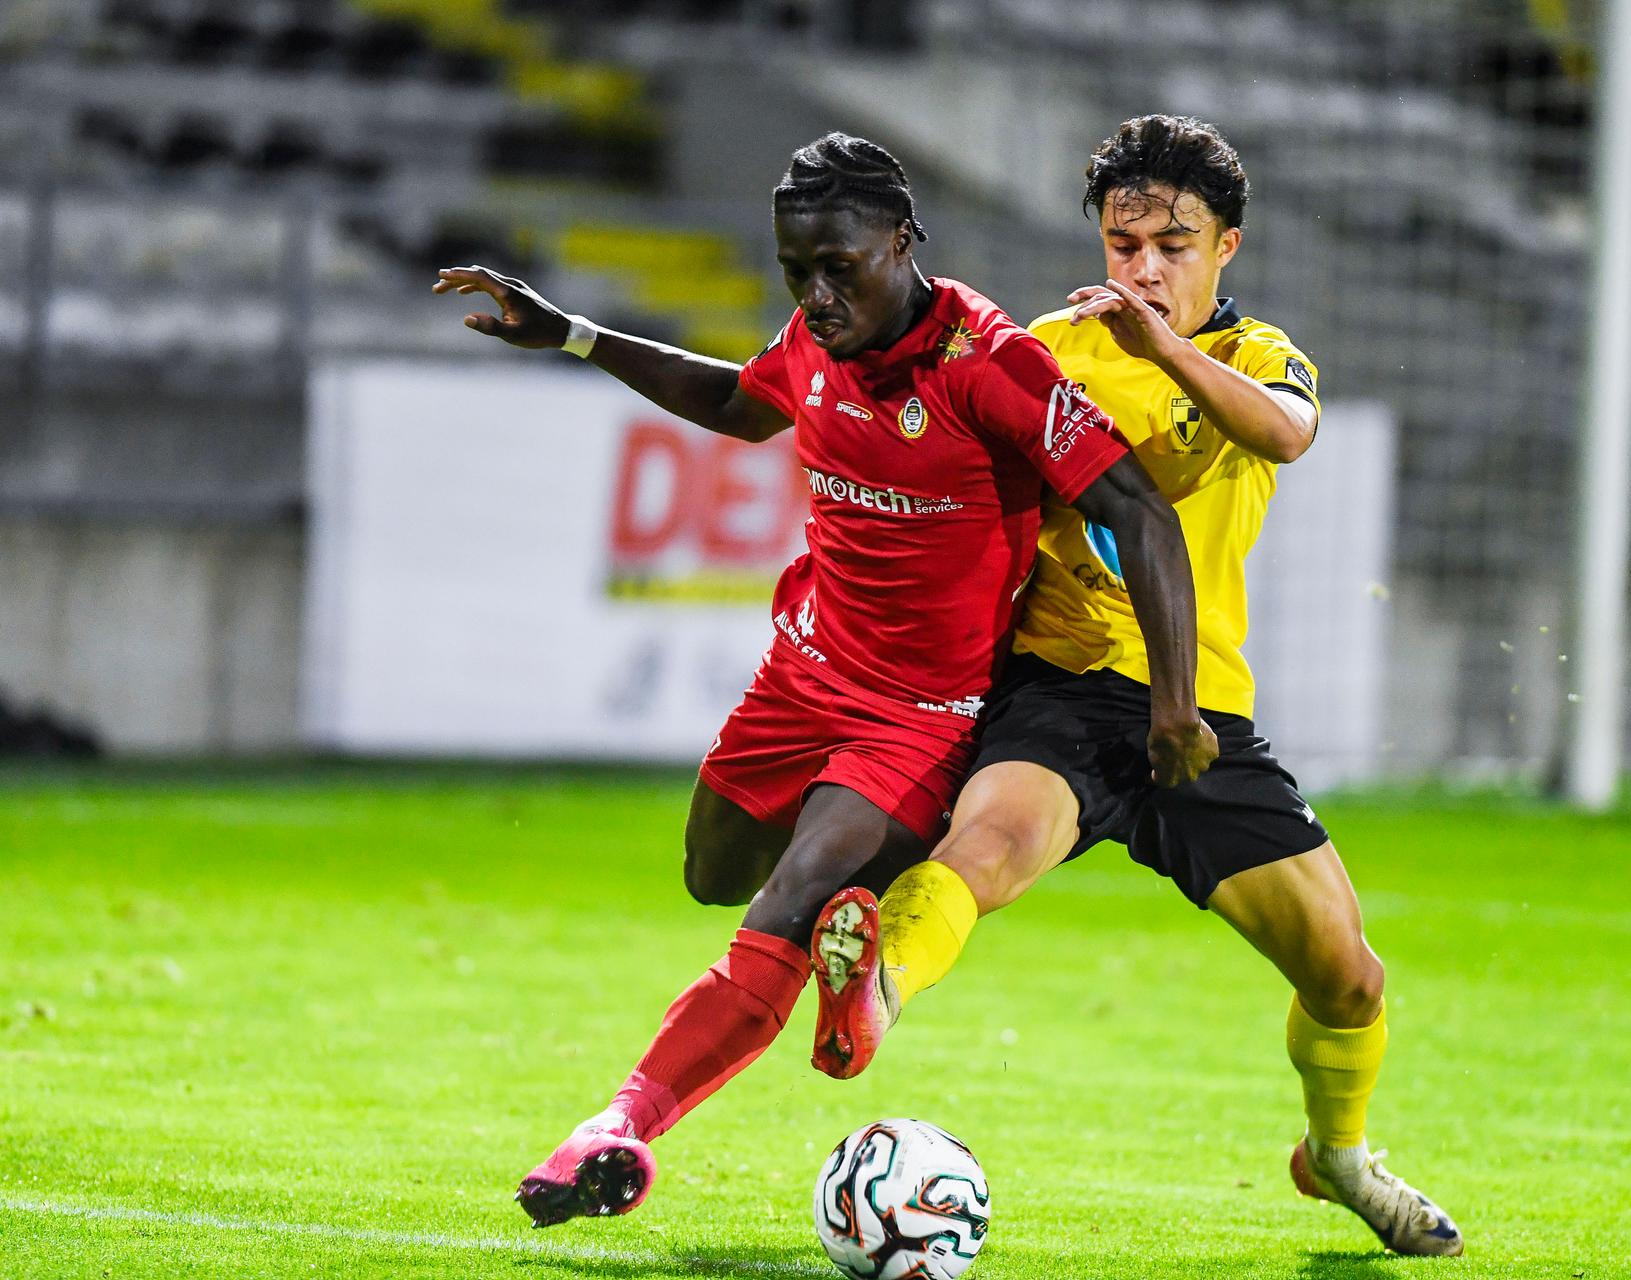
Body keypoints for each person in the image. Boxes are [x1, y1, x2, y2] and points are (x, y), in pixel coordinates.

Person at [432, 131, 1217, 1228]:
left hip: (920, 717)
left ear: (902, 244)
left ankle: (615, 1129)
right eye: (796, 269)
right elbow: (742, 404)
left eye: (839, 267)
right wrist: (572, 333)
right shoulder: (814, 337)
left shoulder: (989, 363)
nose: (815, 293)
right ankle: (840, 921)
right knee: (716, 870)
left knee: (785, 903)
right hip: (801, 677)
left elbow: (1139, 505)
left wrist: (1176, 703)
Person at [806, 116, 1464, 1257]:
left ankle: (1339, 1156)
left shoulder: (1259, 356)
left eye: (1173, 243)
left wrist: (1163, 349)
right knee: (989, 848)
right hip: (1061, 687)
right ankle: (874, 992)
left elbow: (1289, 435)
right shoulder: (1047, 349)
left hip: (1203, 713)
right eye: (1124, 245)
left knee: (1349, 979)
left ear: (1228, 248)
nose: (1144, 268)